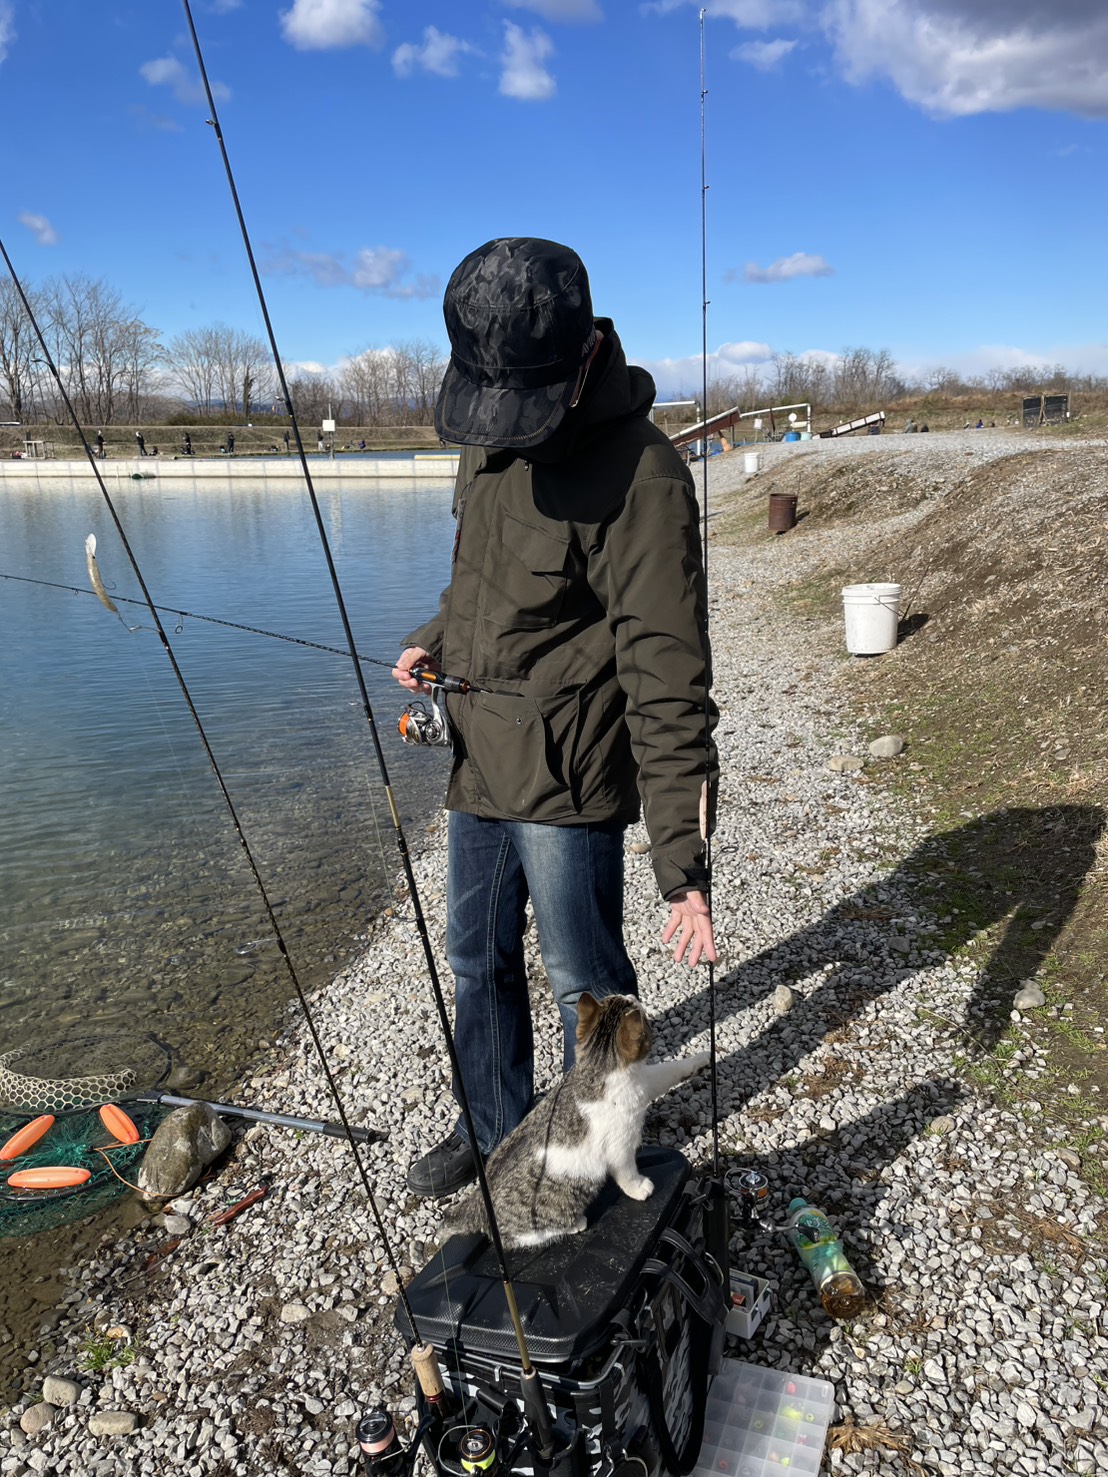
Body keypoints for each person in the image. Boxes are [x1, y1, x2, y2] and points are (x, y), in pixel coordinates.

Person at [393, 237, 717, 1198]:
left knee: (587, 981)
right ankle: (496, 1138)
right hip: (478, 760)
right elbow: (486, 584)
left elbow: (668, 681)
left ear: (579, 362)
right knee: (475, 961)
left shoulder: (645, 477)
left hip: (570, 783)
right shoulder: (493, 435)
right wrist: (436, 638)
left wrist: (682, 869)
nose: (503, 425)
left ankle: (600, 1154)